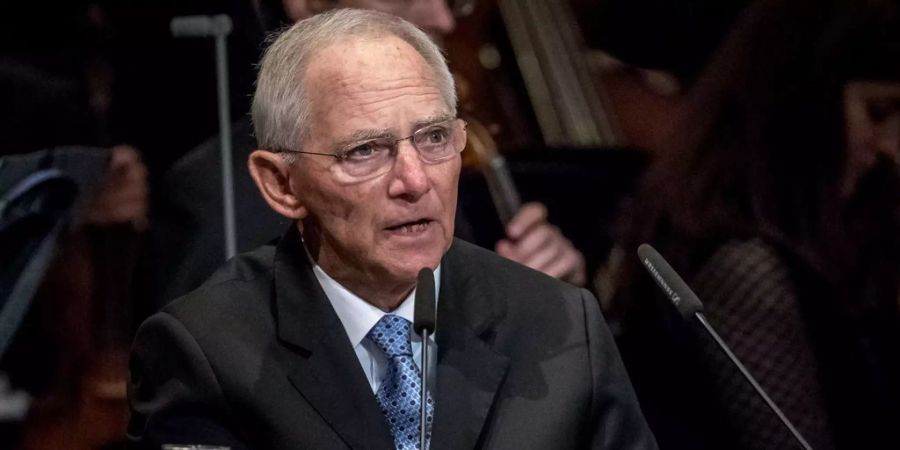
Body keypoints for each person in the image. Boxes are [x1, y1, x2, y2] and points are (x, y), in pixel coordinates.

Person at [127, 9, 656, 449]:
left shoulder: (562, 324)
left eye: (433, 138)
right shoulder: (204, 352)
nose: (414, 180)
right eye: (365, 150)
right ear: (281, 184)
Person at [151, 0, 586, 306]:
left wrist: (542, 306)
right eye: (363, 150)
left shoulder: (447, 166)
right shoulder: (215, 194)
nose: (442, 19)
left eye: (434, 137)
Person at [606, 0, 900, 449]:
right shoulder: (741, 263)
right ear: (800, 106)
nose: (887, 147)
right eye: (877, 113)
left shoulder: (848, 233)